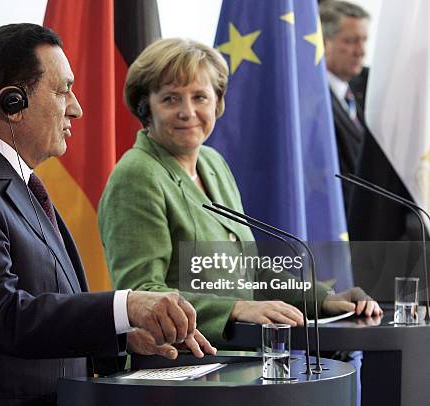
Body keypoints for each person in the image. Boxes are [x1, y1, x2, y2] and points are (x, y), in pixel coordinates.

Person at [0, 24, 216, 406]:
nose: (76, 108)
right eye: (63, 90)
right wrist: (125, 306)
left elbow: (41, 302)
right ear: (13, 102)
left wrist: (120, 332)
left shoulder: (1, 174)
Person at [98, 38, 382, 348]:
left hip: (236, 358)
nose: (187, 111)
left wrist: (324, 299)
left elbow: (246, 268)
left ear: (217, 103)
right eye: (170, 99)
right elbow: (143, 294)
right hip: (176, 366)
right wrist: (235, 309)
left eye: (200, 97)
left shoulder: (212, 163)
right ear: (145, 108)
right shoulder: (138, 175)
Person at [319, 0, 371, 210]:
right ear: (323, 42)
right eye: (350, 41)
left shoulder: (363, 88)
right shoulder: (313, 102)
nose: (361, 51)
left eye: (364, 41)